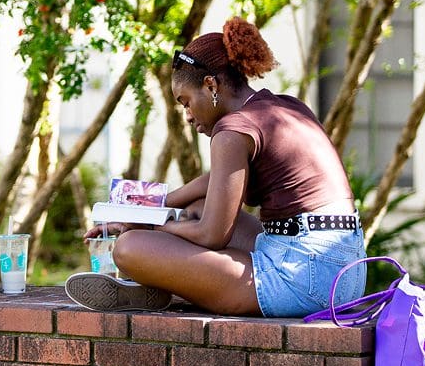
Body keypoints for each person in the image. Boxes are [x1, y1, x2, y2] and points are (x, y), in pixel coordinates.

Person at [65, 17, 366, 316]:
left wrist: (153, 226)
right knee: (196, 207)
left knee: (129, 247)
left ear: (210, 85)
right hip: (347, 270)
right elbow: (218, 181)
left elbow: (213, 235)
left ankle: (164, 279)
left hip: (303, 278)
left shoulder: (233, 130)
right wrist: (146, 209)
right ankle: (170, 279)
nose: (187, 115)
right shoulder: (285, 107)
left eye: (186, 102)